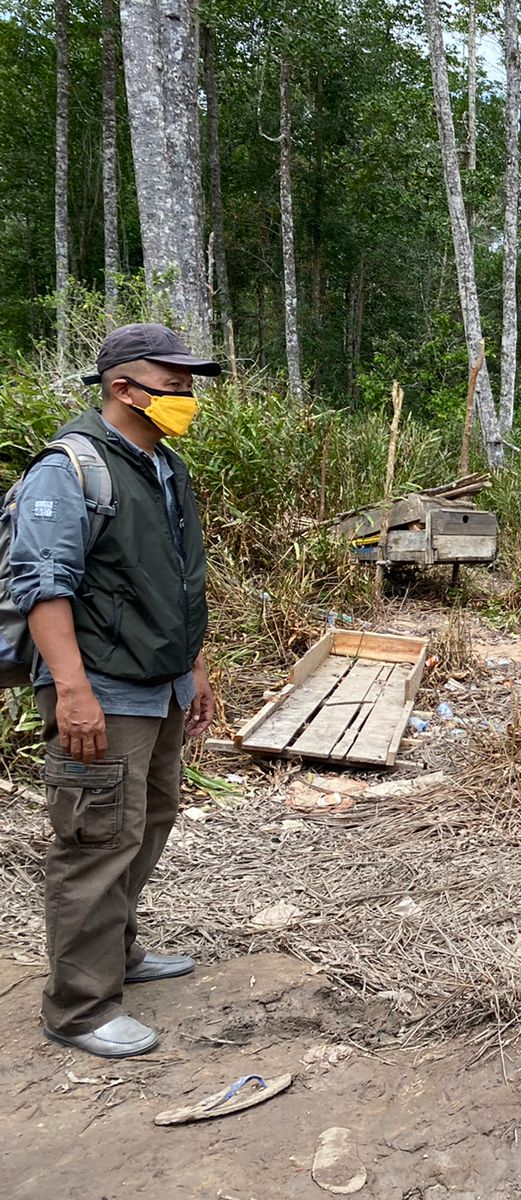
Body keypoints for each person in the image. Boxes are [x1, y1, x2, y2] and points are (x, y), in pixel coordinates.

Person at [8, 323, 219, 1059]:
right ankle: (79, 1008)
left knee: (148, 818)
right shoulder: (69, 470)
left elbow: (179, 577)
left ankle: (117, 954)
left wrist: (194, 665)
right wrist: (71, 691)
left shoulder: (163, 467)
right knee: (95, 840)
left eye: (191, 385)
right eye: (174, 385)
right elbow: (44, 588)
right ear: (123, 388)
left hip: (158, 683)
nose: (188, 397)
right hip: (100, 687)